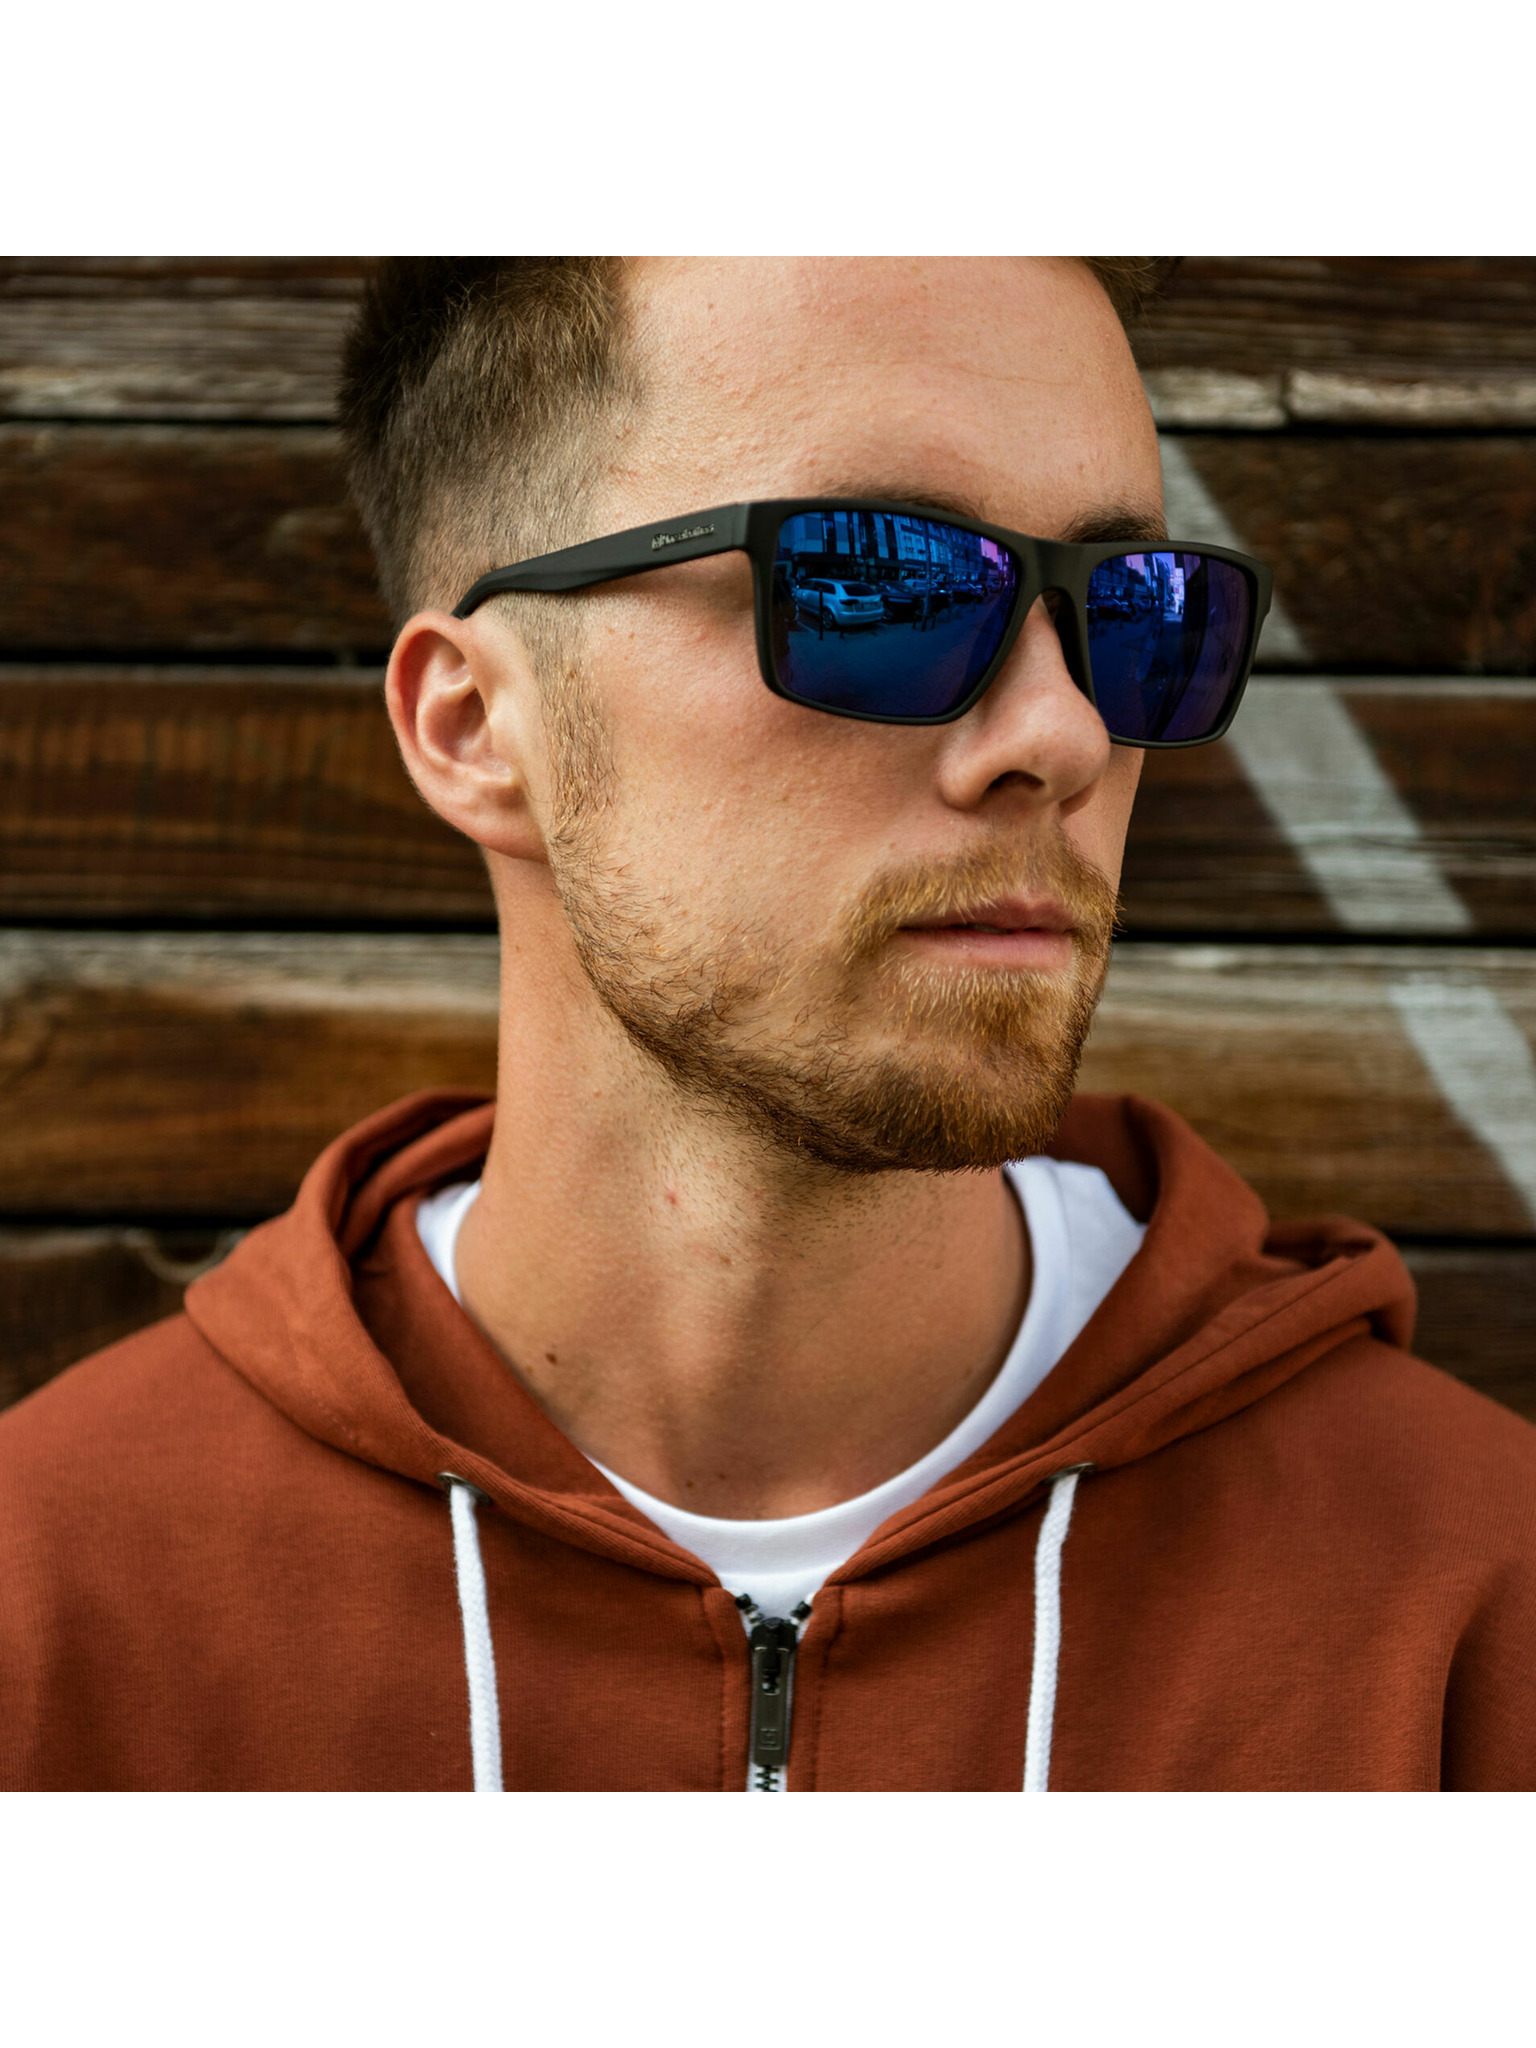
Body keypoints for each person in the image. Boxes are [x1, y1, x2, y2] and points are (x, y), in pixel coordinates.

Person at [1, 257, 1532, 1791]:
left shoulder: (1468, 1603)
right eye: (878, 585)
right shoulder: (60, 1608)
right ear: (474, 726)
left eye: (1136, 613)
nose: (1065, 734)